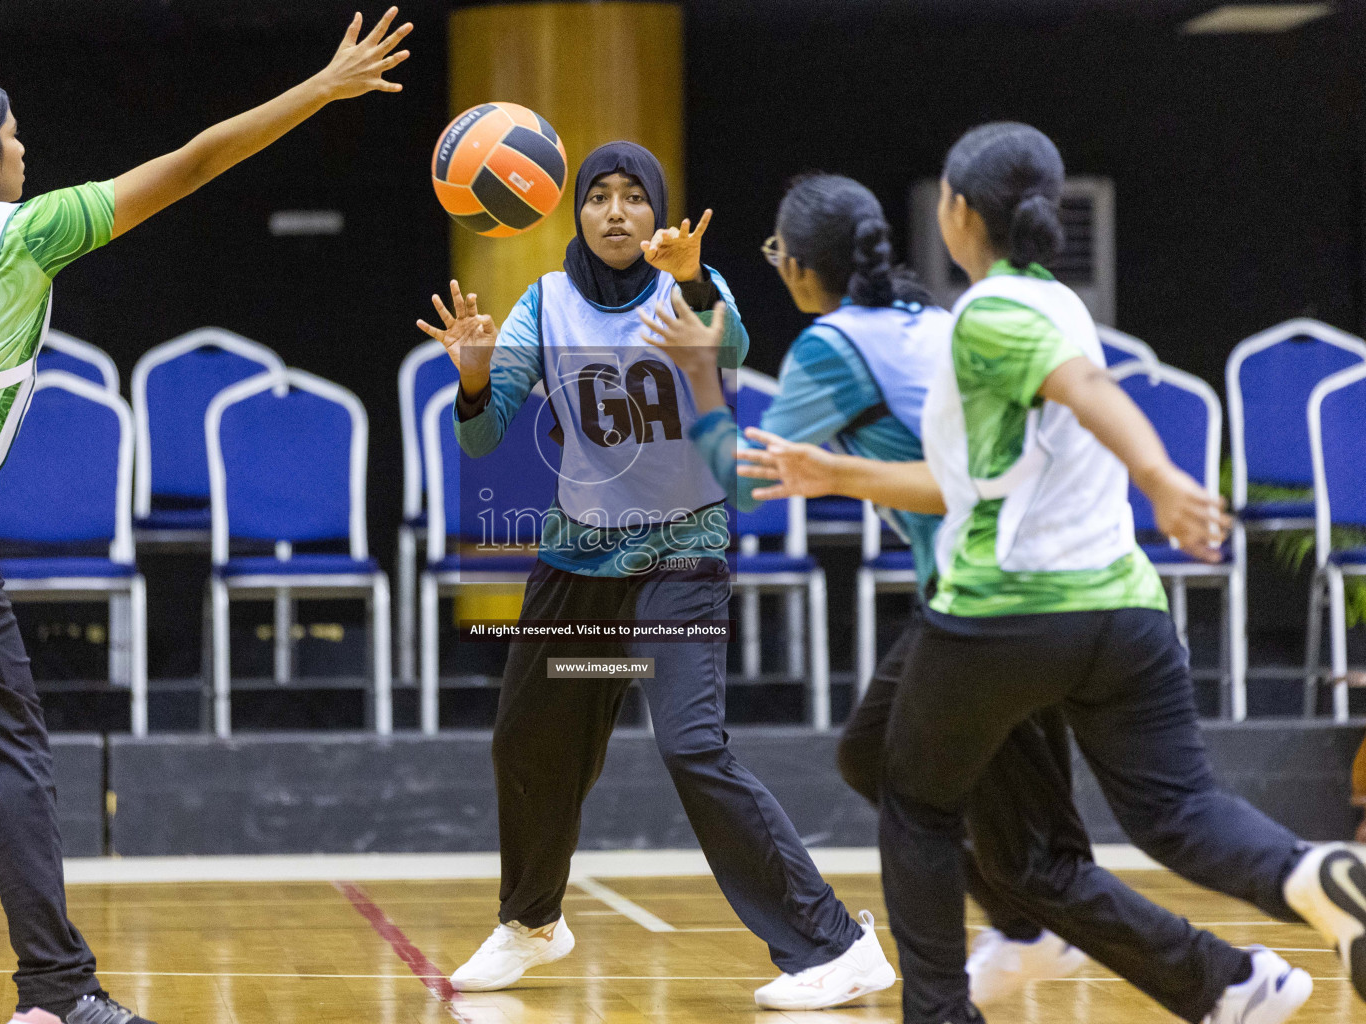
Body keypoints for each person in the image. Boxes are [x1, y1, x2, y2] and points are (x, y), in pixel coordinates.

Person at [0, 13, 411, 1023]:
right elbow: (192, 163)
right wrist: (319, 89)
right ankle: (58, 996)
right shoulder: (22, 233)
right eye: (14, 138)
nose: (26, 151)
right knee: (6, 758)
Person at [645, 170, 1316, 1023]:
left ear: (800, 268)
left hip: (990, 608)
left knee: (1027, 859)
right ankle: (1044, 934)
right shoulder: (933, 320)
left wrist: (701, 379)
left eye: (778, 253)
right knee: (875, 758)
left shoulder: (831, 345)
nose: (778, 266)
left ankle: (1217, 978)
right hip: (1017, 587)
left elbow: (740, 486)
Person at [414, 142, 894, 1011]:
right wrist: (478, 374)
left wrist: (699, 282)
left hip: (681, 551)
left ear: (659, 213)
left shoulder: (689, 291)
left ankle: (834, 943)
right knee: (528, 744)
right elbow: (482, 440)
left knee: (692, 745)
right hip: (578, 556)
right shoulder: (545, 304)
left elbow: (734, 343)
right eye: (599, 196)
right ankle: (531, 924)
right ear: (576, 213)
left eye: (635, 196)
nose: (617, 211)